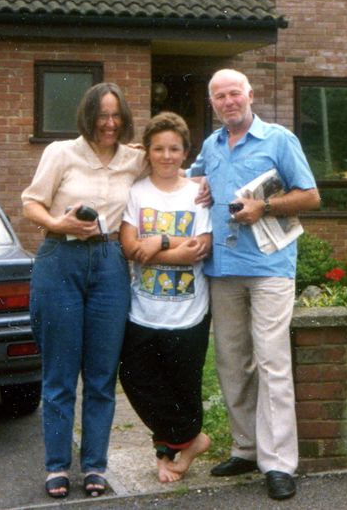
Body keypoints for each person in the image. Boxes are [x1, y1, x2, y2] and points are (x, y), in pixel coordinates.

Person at [186, 69, 321, 500]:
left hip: (269, 267)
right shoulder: (211, 145)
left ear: (250, 95)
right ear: (213, 103)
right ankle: (246, 447)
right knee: (231, 362)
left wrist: (264, 207)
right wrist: (200, 182)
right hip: (223, 268)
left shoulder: (279, 140)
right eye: (220, 96)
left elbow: (311, 196)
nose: (228, 101)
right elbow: (189, 178)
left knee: (272, 361)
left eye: (234, 94)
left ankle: (279, 463)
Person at [21, 82, 146, 499]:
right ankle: (56, 466)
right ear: (87, 116)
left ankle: (95, 465)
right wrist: (60, 224)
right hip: (61, 259)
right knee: (59, 373)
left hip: (111, 264)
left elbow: (172, 167)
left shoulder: (134, 160)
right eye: (101, 115)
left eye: (116, 116)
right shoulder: (61, 153)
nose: (109, 124)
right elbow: (31, 204)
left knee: (100, 376)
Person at [118, 112, 213, 484]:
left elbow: (201, 247)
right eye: (159, 148)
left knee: (182, 386)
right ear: (149, 152)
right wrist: (174, 249)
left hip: (189, 313)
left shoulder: (198, 194)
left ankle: (169, 456)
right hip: (143, 310)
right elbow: (128, 246)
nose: (167, 155)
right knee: (136, 378)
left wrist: (155, 242)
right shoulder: (138, 192)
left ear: (186, 152)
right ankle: (193, 440)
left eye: (174, 148)